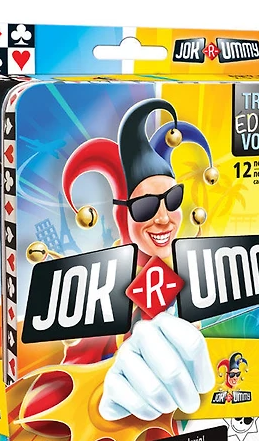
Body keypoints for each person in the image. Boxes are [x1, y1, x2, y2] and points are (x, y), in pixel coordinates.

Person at [61, 98, 219, 421]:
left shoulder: (195, 270)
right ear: (123, 215)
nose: (163, 218)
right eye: (146, 207)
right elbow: (71, 382)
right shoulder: (107, 286)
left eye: (172, 199)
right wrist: (102, 396)